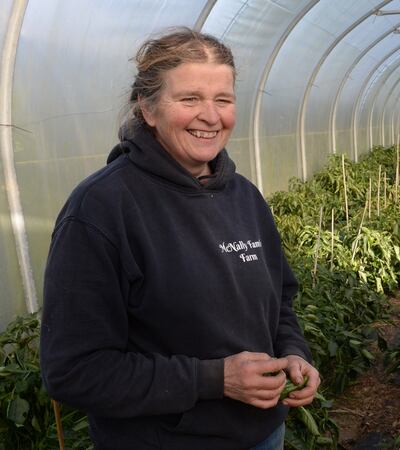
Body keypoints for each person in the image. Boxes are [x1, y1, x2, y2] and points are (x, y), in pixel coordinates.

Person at [39, 27, 320, 449]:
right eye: (189, 99)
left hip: (263, 434)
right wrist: (215, 379)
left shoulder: (244, 197)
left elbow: (279, 301)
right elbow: (74, 371)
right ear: (148, 109)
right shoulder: (102, 210)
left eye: (222, 100)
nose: (210, 116)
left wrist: (294, 353)